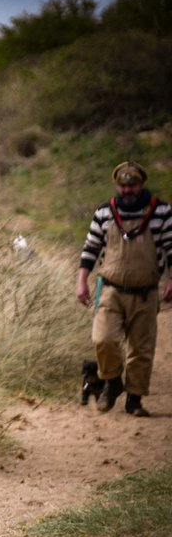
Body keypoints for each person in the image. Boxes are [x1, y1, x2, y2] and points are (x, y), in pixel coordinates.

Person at [75, 160, 172, 416]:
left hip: (146, 292)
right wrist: (81, 281)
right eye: (123, 185)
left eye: (133, 185)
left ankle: (135, 399)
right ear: (117, 185)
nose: (127, 190)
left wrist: (170, 280)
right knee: (103, 338)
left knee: (141, 349)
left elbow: (171, 249)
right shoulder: (105, 212)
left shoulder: (161, 211)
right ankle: (112, 380)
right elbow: (90, 249)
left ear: (141, 184)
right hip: (111, 290)